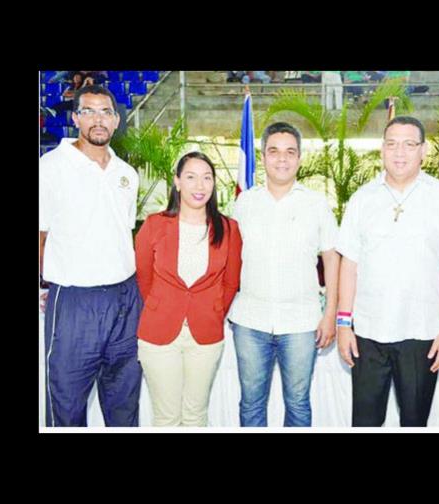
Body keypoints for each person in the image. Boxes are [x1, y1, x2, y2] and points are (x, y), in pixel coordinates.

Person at [335, 116, 439, 426]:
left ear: (423, 150)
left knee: (414, 422)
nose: (400, 153)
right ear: (382, 150)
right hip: (368, 334)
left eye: (409, 145)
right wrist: (344, 323)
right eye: (392, 144)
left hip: (422, 333)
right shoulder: (362, 199)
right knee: (364, 422)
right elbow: (349, 265)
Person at [39, 85, 143, 426]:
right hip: (73, 302)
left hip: (125, 300)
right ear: (75, 118)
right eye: (89, 112)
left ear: (116, 121)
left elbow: (122, 233)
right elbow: (40, 234)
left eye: (105, 113)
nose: (98, 120)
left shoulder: (127, 175)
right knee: (67, 405)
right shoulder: (50, 167)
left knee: (124, 403)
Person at [228, 122, 340, 427]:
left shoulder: (316, 204)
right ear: (263, 156)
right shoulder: (244, 203)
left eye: (290, 152)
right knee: (251, 403)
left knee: (298, 403)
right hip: (250, 320)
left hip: (301, 322)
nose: (282, 159)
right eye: (274, 151)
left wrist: (330, 313)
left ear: (300, 158)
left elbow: (332, 259)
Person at [134, 152, 243, 427]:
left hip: (205, 335)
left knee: (195, 416)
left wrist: (214, 311)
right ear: (177, 182)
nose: (200, 186)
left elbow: (231, 282)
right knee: (167, 417)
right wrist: (164, 306)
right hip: (158, 335)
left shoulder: (228, 229)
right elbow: (143, 277)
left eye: (207, 178)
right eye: (191, 177)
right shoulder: (154, 225)